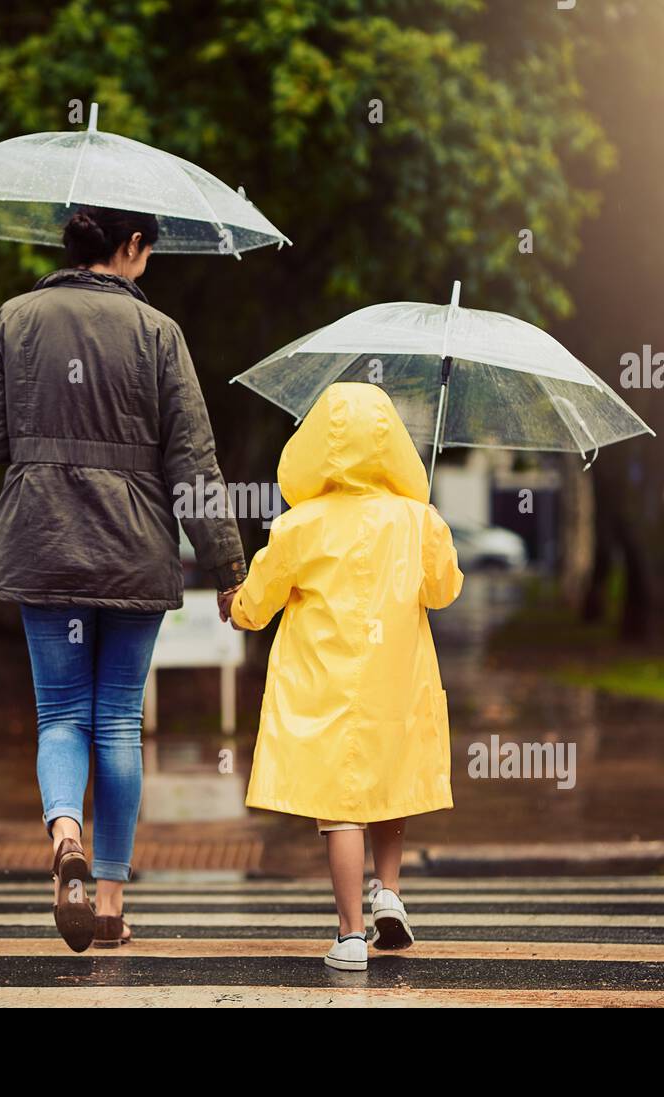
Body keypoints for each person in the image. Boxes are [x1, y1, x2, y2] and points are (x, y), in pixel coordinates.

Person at [0, 205, 246, 952]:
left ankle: (66, 836)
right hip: (132, 549)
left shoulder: (15, 318)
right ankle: (114, 904)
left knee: (60, 712)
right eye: (147, 251)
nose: (148, 263)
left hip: (41, 543)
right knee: (118, 718)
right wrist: (226, 567)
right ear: (129, 246)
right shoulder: (159, 335)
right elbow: (193, 463)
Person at [230, 382, 463, 971]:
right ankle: (390, 892)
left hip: (325, 686)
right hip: (396, 681)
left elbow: (258, 603)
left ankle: (351, 934)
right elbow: (443, 591)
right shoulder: (417, 521)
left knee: (340, 807)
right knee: (391, 785)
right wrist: (432, 532)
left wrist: (234, 607)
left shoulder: (300, 525)